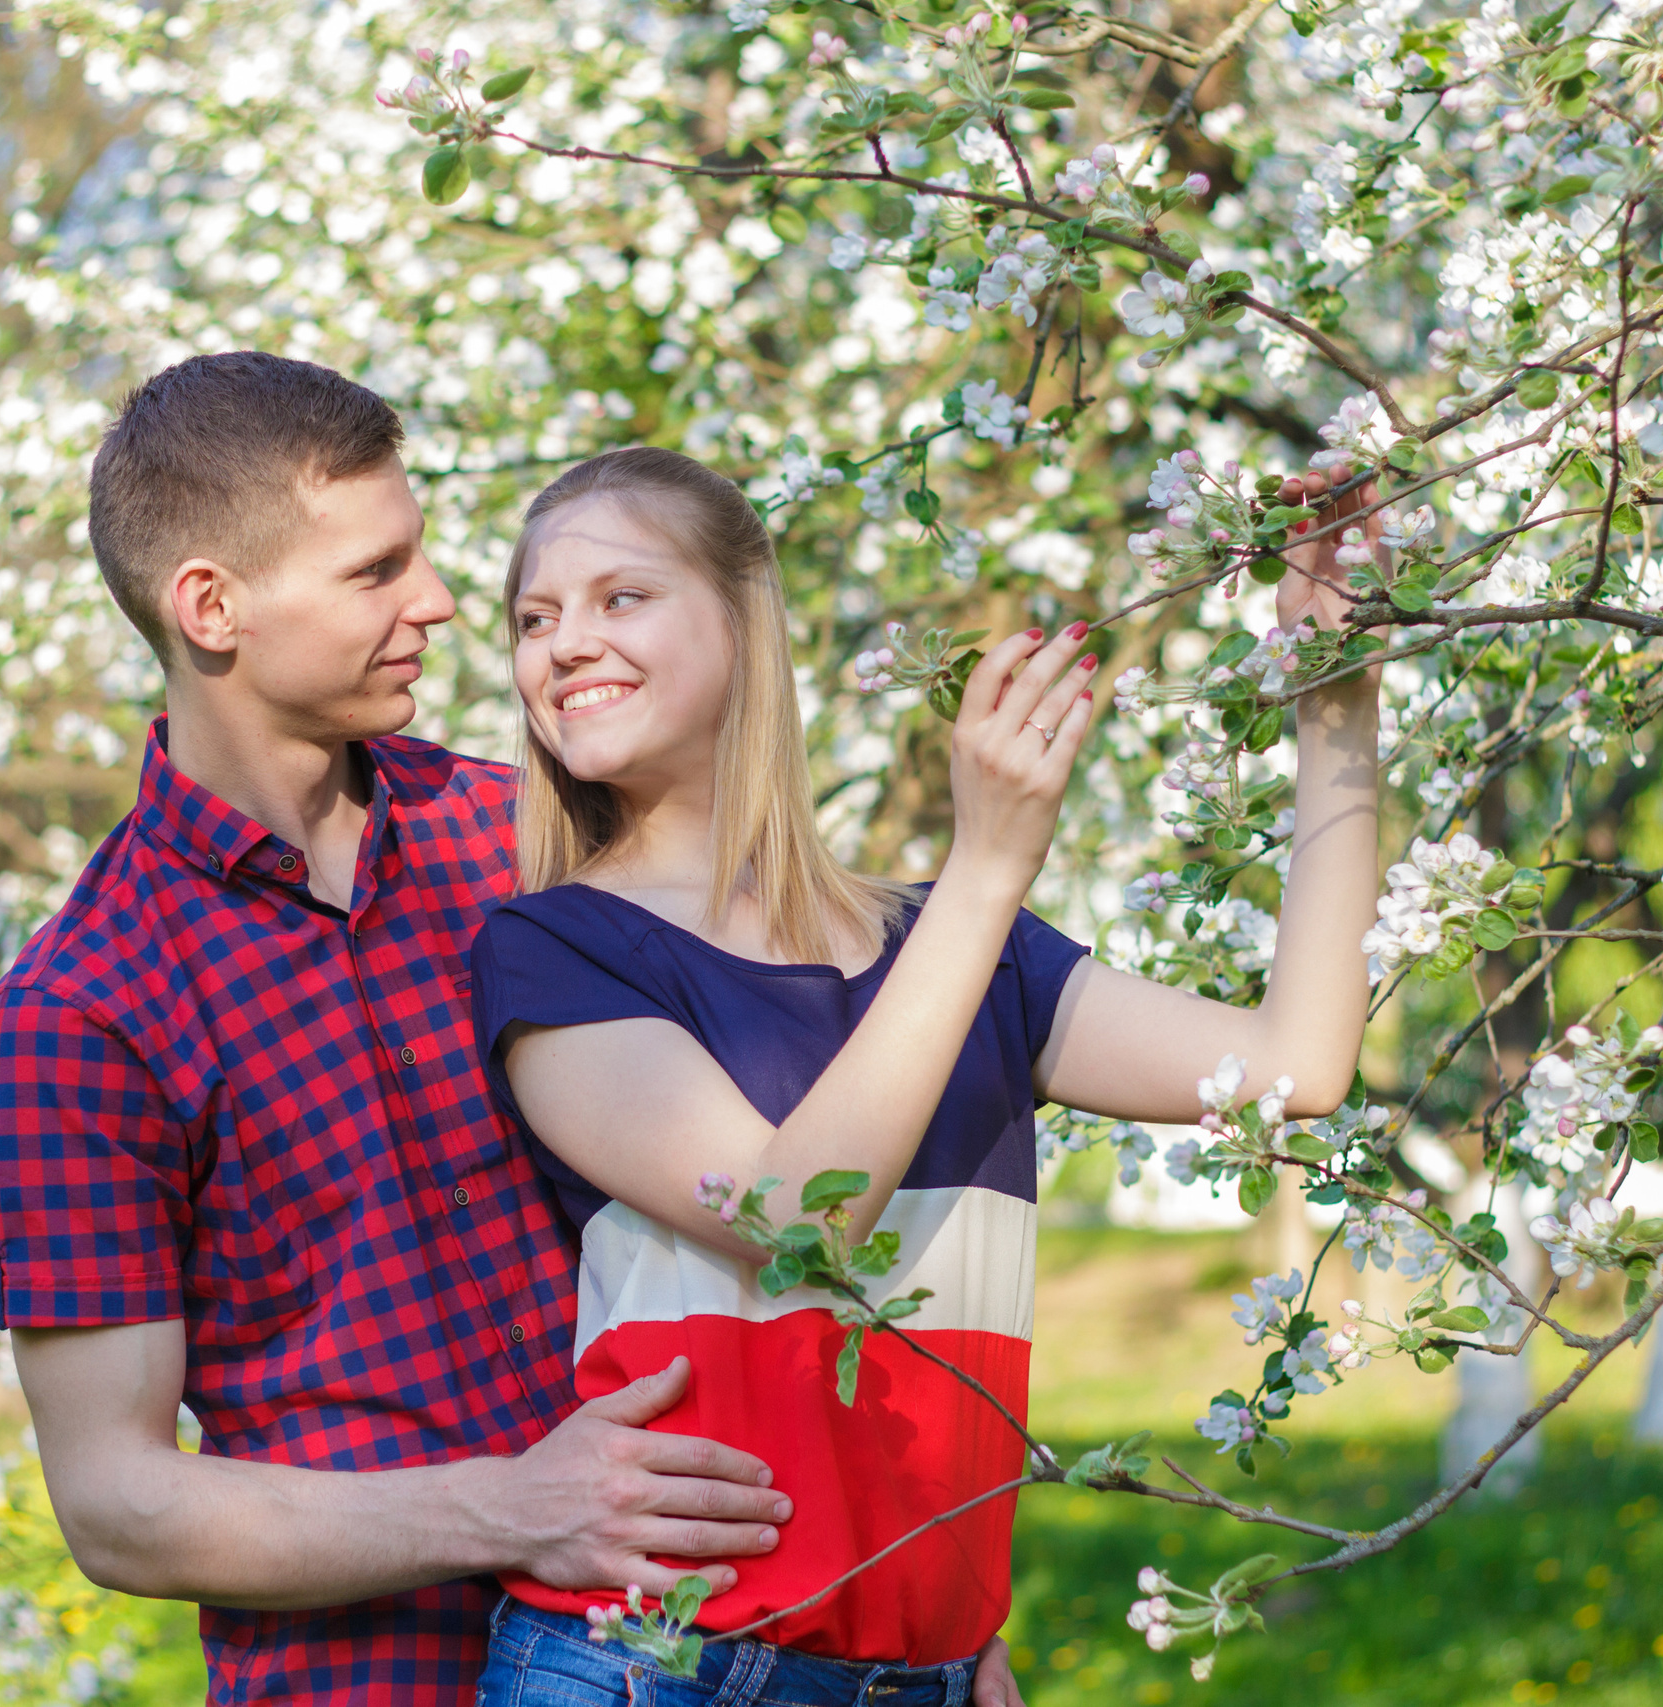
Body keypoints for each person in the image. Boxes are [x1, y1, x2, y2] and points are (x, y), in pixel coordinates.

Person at [0, 354, 994, 1707]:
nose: (439, 601)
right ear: (212, 607)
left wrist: (916, 1601)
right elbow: (117, 1503)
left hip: (721, 1653)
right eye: (375, 571)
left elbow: (785, 1192)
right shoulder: (82, 1009)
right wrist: (513, 1506)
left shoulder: (528, 841)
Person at [467, 447, 1383, 1704]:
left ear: (744, 622)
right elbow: (795, 1221)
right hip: (656, 1669)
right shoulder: (556, 949)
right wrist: (987, 866)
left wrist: (1336, 693)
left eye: (619, 597)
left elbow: (1297, 1067)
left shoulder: (961, 951)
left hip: (924, 1676)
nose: (565, 643)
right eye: (534, 619)